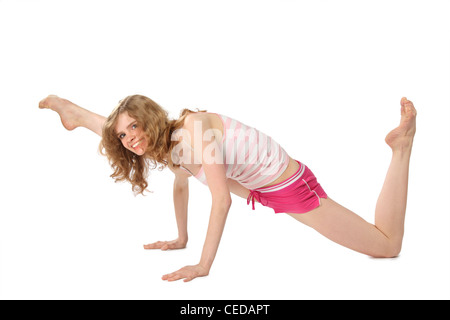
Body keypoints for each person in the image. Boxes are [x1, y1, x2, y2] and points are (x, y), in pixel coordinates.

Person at [38, 94, 417, 282]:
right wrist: (180, 238)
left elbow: (221, 201)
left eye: (134, 127)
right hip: (264, 189)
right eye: (122, 134)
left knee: (386, 245)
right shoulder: (171, 148)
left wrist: (203, 265)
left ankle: (402, 149)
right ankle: (74, 114)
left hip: (290, 186)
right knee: (126, 140)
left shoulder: (195, 130)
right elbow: (181, 188)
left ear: (150, 118)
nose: (129, 138)